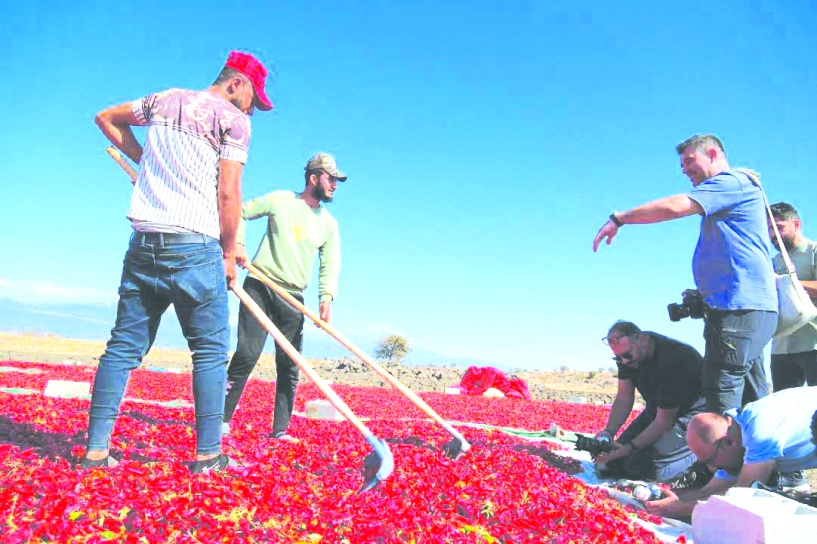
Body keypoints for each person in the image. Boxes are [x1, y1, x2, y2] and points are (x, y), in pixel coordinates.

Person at [81, 51, 273, 473]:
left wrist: (146, 160)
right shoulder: (232, 119)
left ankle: (95, 451)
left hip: (145, 243)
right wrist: (228, 250)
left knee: (123, 348)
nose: (251, 109)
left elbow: (105, 118)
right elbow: (229, 193)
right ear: (236, 84)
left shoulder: (165, 100)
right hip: (195, 247)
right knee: (208, 352)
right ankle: (208, 455)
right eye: (252, 99)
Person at [593, 134, 777, 413]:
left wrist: (620, 218)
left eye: (690, 160)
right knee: (751, 395)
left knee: (721, 393)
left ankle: (721, 455)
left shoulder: (732, 182)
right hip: (736, 308)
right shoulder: (733, 192)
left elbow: (676, 206)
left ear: (713, 154)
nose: (685, 170)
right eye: (682, 165)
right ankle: (754, 455)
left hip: (738, 309)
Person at [223, 153, 345, 441]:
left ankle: (280, 430)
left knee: (289, 365)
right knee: (247, 354)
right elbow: (240, 211)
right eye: (331, 179)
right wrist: (238, 243)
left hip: (293, 296)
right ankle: (220, 419)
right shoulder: (280, 200)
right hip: (261, 286)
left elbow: (330, 263)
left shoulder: (329, 224)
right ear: (314, 178)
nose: (335, 185)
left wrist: (325, 298)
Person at [645, 387, 817, 520]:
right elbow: (710, 491)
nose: (712, 468)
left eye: (710, 460)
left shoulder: (760, 431)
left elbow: (743, 498)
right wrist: (672, 497)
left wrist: (685, 509)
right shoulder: (733, 433)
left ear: (728, 442)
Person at [594, 321, 707, 483]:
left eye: (627, 356)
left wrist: (630, 448)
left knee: (646, 468)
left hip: (690, 417)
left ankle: (699, 457)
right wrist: (609, 432)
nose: (624, 362)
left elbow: (663, 422)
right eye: (618, 358)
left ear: (643, 340)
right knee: (612, 461)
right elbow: (624, 398)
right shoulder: (627, 355)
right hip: (657, 410)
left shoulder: (672, 360)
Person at [768, 202, 817, 390]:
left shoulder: (813, 251)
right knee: (783, 407)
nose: (773, 234)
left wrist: (788, 283)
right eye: (770, 229)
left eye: (779, 227)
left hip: (813, 343)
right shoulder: (772, 262)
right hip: (781, 347)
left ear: (796, 225)